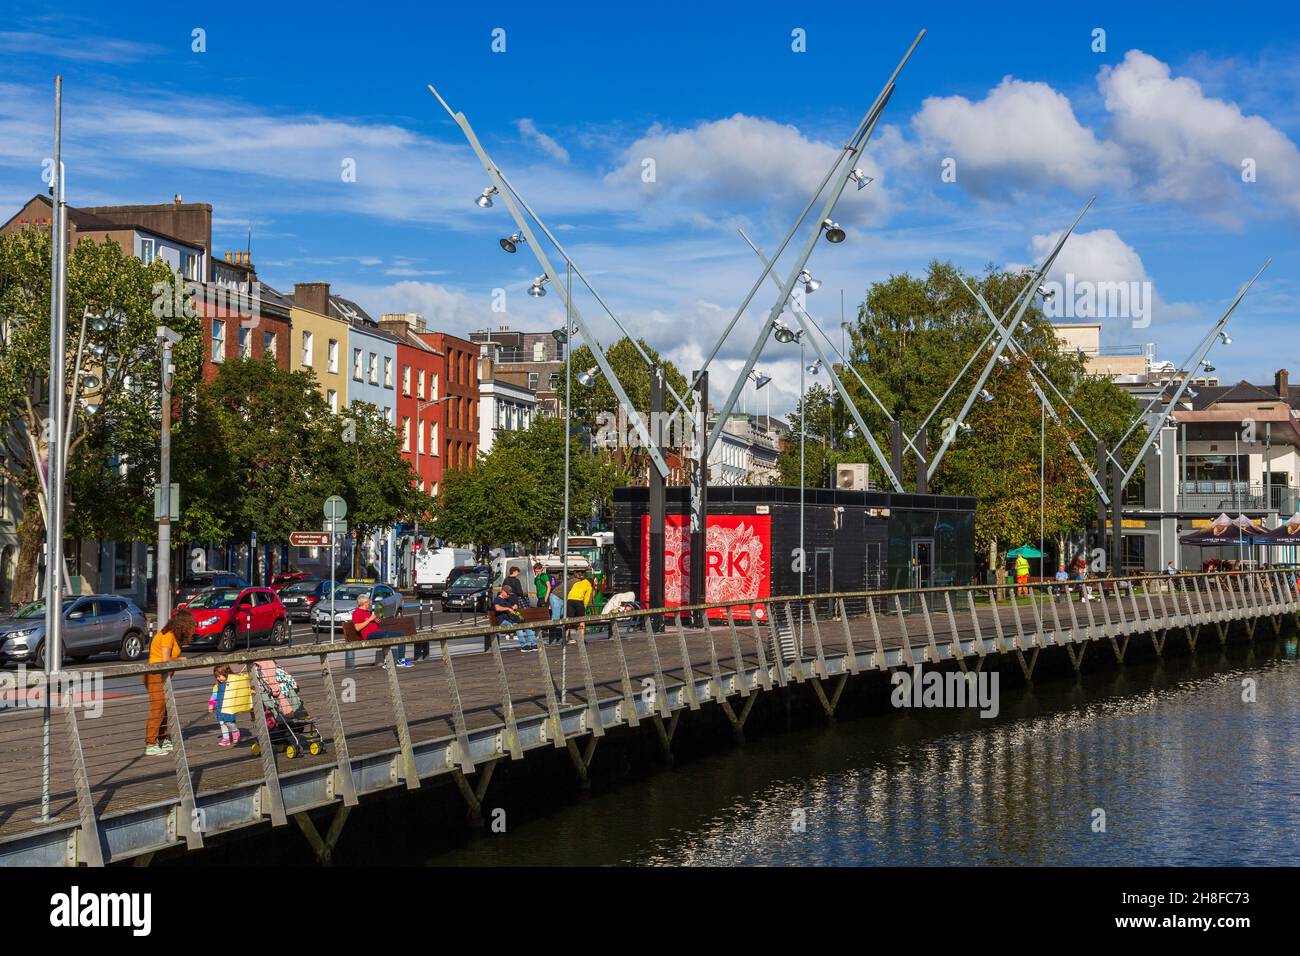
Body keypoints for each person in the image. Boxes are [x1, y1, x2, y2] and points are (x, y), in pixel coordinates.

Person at [143, 609, 196, 756]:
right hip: (155, 674)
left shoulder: (173, 635)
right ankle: (151, 743)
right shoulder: (167, 635)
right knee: (158, 707)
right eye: (191, 626)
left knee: (165, 707)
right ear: (183, 624)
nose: (193, 630)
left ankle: (163, 739)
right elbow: (166, 660)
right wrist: (181, 660)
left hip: (163, 675)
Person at [355, 593, 410, 668]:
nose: (370, 604)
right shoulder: (356, 613)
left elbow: (376, 621)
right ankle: (387, 661)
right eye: (368, 602)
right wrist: (369, 620)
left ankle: (401, 659)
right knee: (385, 636)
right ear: (364, 603)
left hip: (379, 632)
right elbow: (357, 628)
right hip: (369, 635)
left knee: (401, 634)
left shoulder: (368, 612)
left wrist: (376, 619)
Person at [208, 663, 253, 746]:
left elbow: (240, 690)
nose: (218, 678)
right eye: (216, 677)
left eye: (219, 676)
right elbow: (214, 696)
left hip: (229, 707)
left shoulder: (233, 683)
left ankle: (235, 731)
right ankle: (226, 739)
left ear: (226, 674)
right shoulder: (217, 685)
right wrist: (211, 705)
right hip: (219, 707)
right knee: (222, 723)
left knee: (229, 722)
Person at [493, 585, 537, 652]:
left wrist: (513, 607)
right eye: (507, 594)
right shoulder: (497, 599)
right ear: (502, 591)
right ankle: (524, 645)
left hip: (511, 620)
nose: (508, 595)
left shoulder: (507, 600)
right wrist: (508, 608)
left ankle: (534, 644)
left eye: (509, 594)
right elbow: (497, 608)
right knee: (517, 626)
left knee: (527, 626)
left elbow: (511, 610)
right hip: (502, 621)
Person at [566, 570, 594, 644]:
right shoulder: (589, 586)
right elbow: (587, 599)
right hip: (579, 601)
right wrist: (583, 608)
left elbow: (570, 593)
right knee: (581, 620)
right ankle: (581, 639)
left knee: (568, 621)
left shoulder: (577, 583)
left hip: (570, 600)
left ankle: (566, 638)